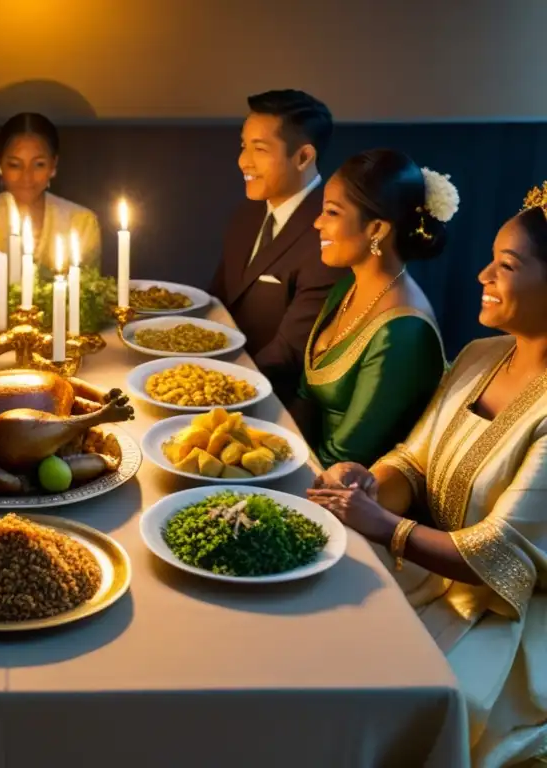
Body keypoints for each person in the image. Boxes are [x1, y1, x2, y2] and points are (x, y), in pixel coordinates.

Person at [309, 185, 547, 767]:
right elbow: (413, 461)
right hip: (423, 569)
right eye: (491, 257)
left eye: (507, 266)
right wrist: (366, 484)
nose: (482, 274)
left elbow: (498, 552)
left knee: (410, 695)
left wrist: (382, 525)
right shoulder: (479, 357)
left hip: (505, 617)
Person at [293, 150, 453, 468]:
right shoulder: (346, 286)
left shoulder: (403, 331)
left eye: (332, 213)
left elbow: (345, 457)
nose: (317, 223)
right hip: (304, 465)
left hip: (351, 498)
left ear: (377, 229)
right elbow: (304, 397)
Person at [210, 89, 346, 402]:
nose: (243, 161)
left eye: (260, 150)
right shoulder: (249, 211)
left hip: (271, 399)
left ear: (303, 157)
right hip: (221, 373)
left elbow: (288, 352)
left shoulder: (329, 232)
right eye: (244, 146)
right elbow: (217, 300)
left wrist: (215, 387)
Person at [0, 112, 101, 276]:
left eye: (39, 165)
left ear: (53, 165)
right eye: (15, 165)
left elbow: (88, 293)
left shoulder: (81, 223)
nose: (26, 177)